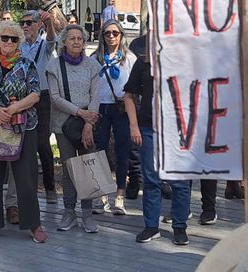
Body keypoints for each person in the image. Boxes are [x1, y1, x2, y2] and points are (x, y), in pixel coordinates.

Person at [0, 19, 47, 243]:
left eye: (13, 39)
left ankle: (33, 224)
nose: (8, 42)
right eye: (3, 38)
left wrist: (13, 108)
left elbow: (36, 94)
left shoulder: (27, 64)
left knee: (25, 177)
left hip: (23, 126)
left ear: (19, 42)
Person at [124, 33, 189, 244]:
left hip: (178, 130)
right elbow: (129, 95)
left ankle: (180, 226)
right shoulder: (143, 63)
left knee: (180, 181)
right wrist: (134, 125)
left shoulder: (187, 62)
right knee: (151, 179)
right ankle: (151, 226)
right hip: (149, 128)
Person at [44, 24, 102, 233]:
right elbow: (55, 97)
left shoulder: (92, 66)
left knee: (87, 166)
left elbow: (95, 95)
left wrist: (88, 122)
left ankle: (87, 213)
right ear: (64, 42)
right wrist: (81, 112)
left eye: (80, 38)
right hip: (63, 125)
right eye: (72, 38)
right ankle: (69, 212)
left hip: (88, 125)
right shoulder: (54, 66)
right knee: (69, 169)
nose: (76, 41)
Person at [93, 19, 138, 215]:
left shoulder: (129, 58)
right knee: (100, 152)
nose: (111, 36)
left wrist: (129, 97)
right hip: (101, 108)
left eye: (115, 33)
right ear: (102, 36)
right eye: (107, 33)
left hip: (121, 108)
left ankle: (120, 196)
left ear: (121, 35)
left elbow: (136, 86)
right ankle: (102, 196)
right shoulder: (95, 59)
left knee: (123, 152)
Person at [16, 9, 57, 213]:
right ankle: (28, 188)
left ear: (38, 25)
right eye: (22, 23)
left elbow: (51, 39)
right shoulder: (19, 45)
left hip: (42, 96)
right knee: (25, 143)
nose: (25, 26)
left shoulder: (44, 45)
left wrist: (48, 22)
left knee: (42, 142)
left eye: (29, 23)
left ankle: (50, 187)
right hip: (23, 97)